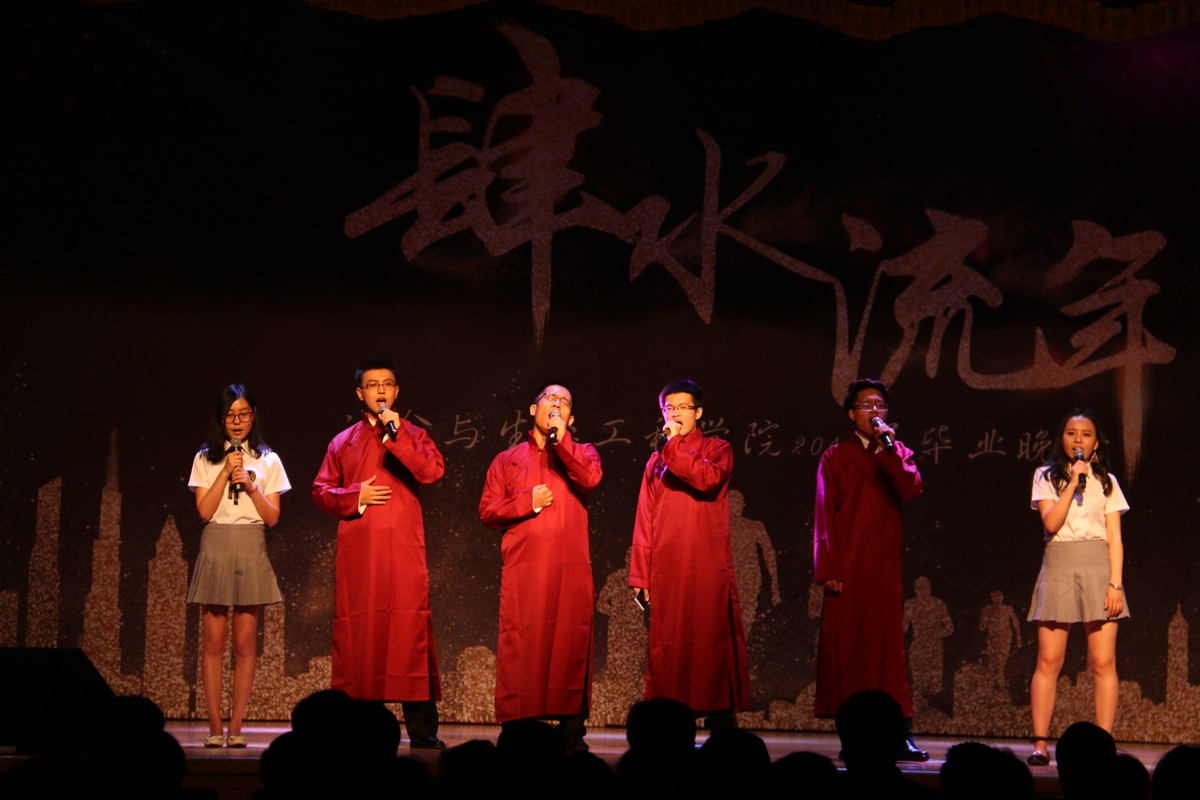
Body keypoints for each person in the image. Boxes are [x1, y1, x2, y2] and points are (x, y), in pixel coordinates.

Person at [312, 356, 446, 749]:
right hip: (361, 554)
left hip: (404, 550)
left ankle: (422, 729)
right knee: (362, 636)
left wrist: (397, 435)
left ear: (397, 391)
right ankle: (358, 729)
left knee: (410, 633)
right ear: (360, 393)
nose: (381, 390)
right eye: (372, 385)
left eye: (387, 384)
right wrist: (356, 495)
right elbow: (321, 492)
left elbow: (432, 471)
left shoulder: (413, 434)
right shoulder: (343, 441)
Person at [478, 384, 602, 752]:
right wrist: (526, 501)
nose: (557, 404)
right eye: (551, 398)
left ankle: (571, 730)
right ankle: (517, 728)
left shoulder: (582, 452)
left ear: (570, 418)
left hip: (570, 569)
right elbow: (487, 510)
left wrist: (562, 444)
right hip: (525, 569)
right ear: (533, 409)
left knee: (570, 642)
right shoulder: (507, 459)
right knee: (521, 645)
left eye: (564, 402)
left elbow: (590, 479)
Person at [813, 378, 927, 760]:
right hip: (846, 568)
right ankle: (854, 737)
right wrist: (828, 567)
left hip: (883, 570)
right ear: (851, 413)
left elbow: (911, 487)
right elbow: (823, 514)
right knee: (849, 653)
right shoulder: (835, 456)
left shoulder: (896, 450)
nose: (875, 412)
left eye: (880, 405)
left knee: (888, 653)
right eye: (866, 405)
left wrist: (888, 449)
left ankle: (900, 734)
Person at [629, 379, 749, 730]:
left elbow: (707, 479)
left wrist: (675, 445)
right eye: (670, 408)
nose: (676, 414)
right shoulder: (656, 462)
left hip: (707, 565)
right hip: (667, 568)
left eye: (683, 407)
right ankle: (670, 725)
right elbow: (645, 519)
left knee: (711, 642)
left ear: (698, 412)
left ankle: (720, 724)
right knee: (669, 647)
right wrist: (640, 574)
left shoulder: (717, 449)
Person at [187, 384, 289, 748]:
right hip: (216, 543)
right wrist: (224, 472)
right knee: (213, 642)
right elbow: (204, 511)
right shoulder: (205, 458)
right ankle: (215, 726)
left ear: (254, 415)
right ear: (221, 419)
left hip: (250, 543)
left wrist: (250, 484)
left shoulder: (268, 460)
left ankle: (236, 726)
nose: (237, 421)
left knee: (245, 643)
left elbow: (272, 517)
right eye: (230, 415)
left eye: (243, 414)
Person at [1026, 410, 1129, 767]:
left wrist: (1115, 583)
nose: (1078, 439)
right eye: (1071, 433)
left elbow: (1115, 538)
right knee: (1049, 660)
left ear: (1096, 443)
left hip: (1099, 567)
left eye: (1086, 434)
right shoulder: (1045, 477)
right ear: (1062, 439)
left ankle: (1105, 742)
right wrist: (1072, 482)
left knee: (1103, 661)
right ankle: (1040, 743)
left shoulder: (1108, 482)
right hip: (1059, 564)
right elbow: (1051, 522)